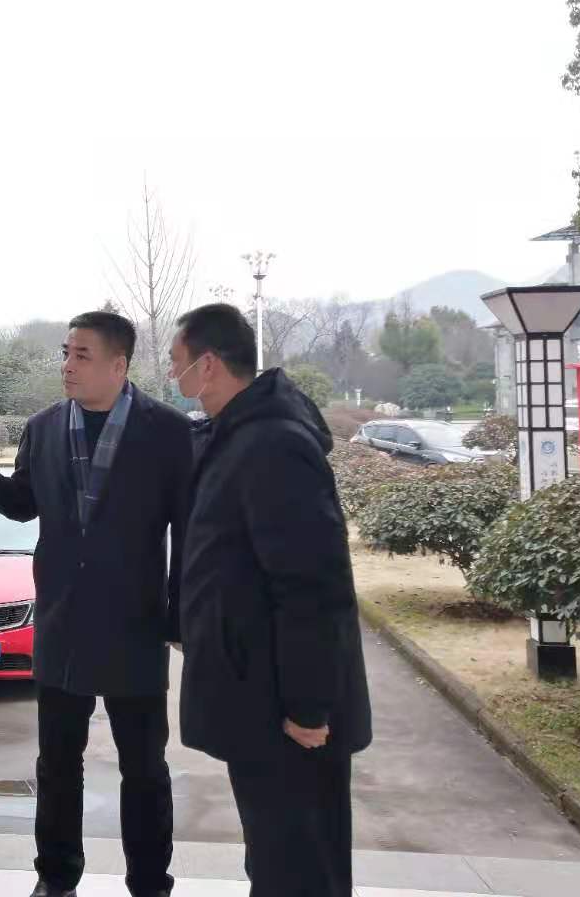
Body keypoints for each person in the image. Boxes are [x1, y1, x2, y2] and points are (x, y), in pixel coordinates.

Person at [0, 310, 191, 897]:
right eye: (66, 352)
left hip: (136, 626)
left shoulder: (166, 430)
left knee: (144, 767)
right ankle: (56, 878)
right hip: (62, 623)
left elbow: (187, 528)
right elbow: (22, 503)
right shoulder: (44, 428)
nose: (67, 365)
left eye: (82, 355)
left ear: (119, 364)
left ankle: (150, 883)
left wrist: (179, 613)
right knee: (58, 763)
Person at [169, 303, 371, 897]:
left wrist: (309, 708)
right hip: (254, 698)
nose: (174, 375)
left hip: (287, 713)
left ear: (208, 365)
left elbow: (313, 585)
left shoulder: (272, 445)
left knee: (300, 868)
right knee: (275, 858)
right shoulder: (233, 435)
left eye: (178, 362)